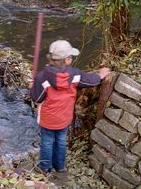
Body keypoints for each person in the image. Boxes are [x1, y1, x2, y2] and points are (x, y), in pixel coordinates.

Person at [30, 40, 110, 173]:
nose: (72, 59)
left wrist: (33, 87)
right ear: (66, 60)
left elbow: (37, 98)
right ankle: (60, 167)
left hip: (48, 119)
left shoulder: (42, 77)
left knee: (47, 142)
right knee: (61, 141)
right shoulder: (75, 75)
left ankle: (44, 168)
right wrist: (101, 75)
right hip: (65, 117)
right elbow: (90, 81)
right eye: (71, 57)